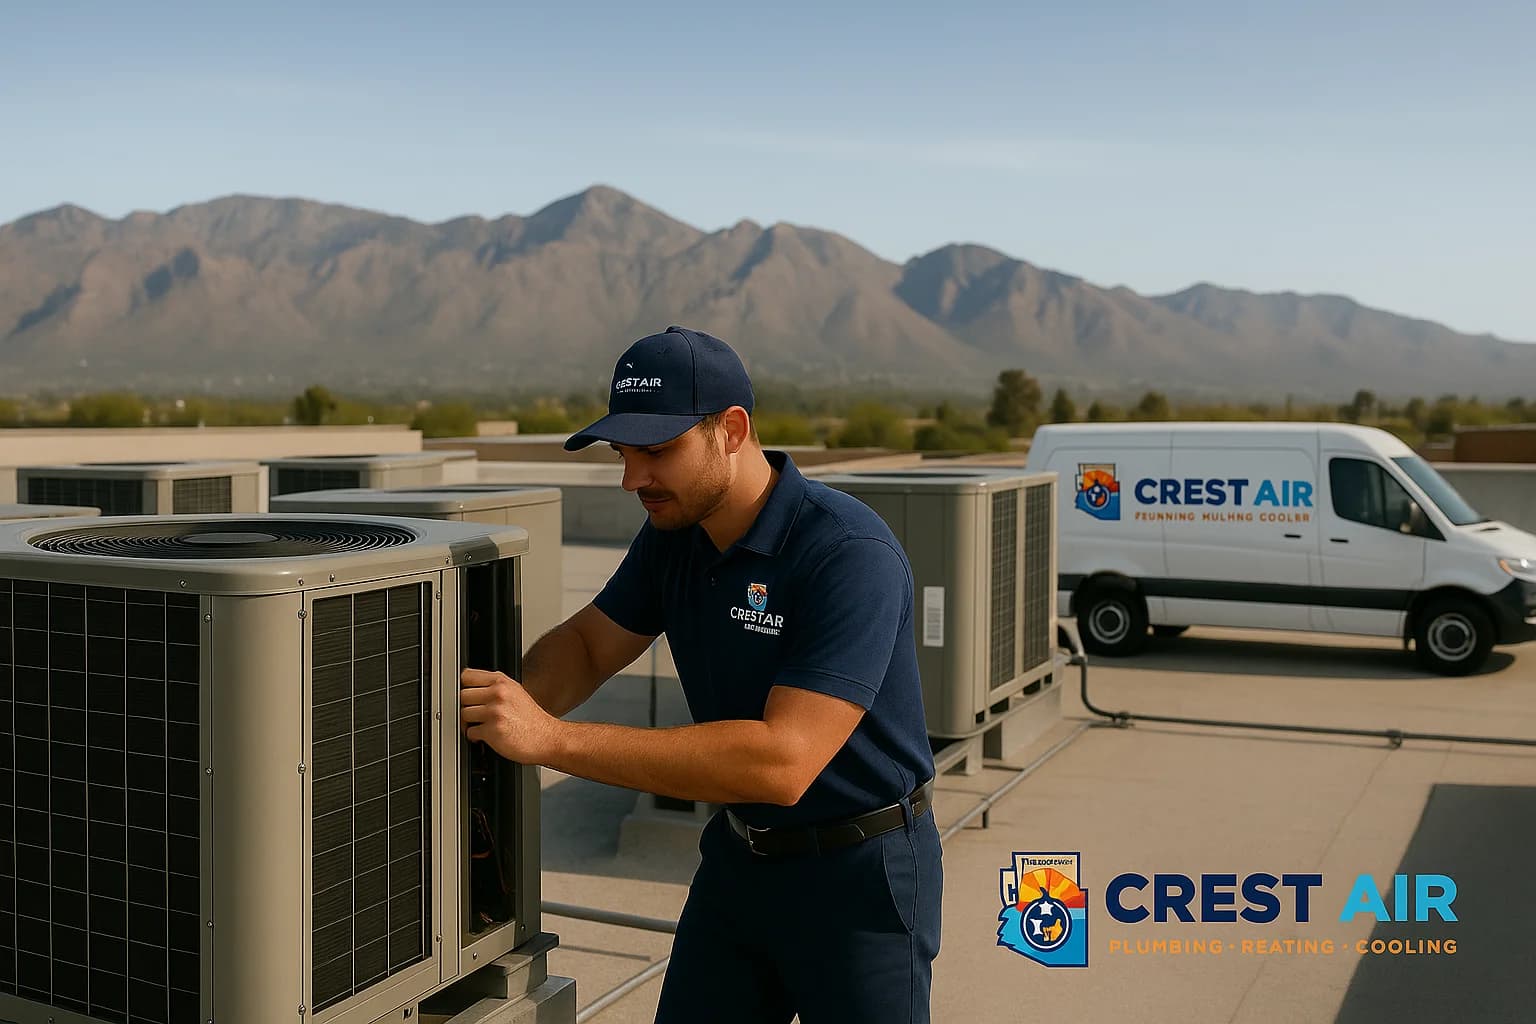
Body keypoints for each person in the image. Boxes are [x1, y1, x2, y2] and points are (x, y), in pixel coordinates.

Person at [460, 325, 942, 1022]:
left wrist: (550, 740)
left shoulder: (846, 553)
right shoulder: (674, 536)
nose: (633, 479)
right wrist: (492, 715)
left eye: (656, 451)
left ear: (732, 430)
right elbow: (591, 645)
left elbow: (783, 761)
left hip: (860, 874)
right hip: (741, 865)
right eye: (623, 453)